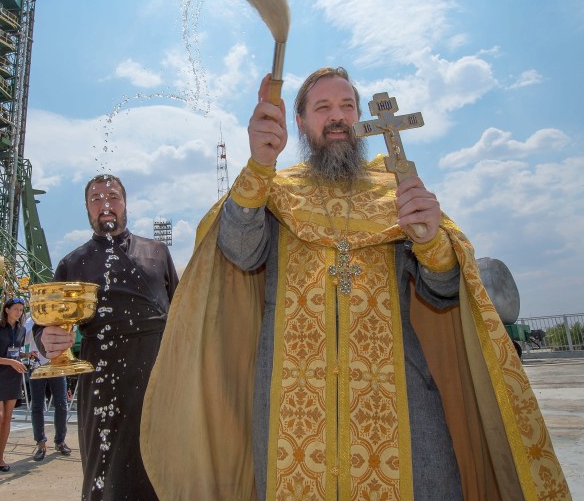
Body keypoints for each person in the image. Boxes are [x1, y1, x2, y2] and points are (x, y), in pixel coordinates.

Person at [140, 70, 571, 500]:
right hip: (293, 409)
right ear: (302, 121)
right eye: (323, 108)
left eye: (347, 107)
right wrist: (259, 165)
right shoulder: (274, 188)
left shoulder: (397, 190)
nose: (337, 117)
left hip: (400, 407)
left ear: (361, 119)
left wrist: (432, 242)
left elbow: (442, 292)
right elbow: (238, 251)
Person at [39, 174, 178, 501]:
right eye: (96, 199)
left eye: (112, 197)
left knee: (160, 463)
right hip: (101, 378)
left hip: (156, 374)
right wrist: (46, 338)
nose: (105, 205)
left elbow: (182, 311)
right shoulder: (72, 263)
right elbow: (47, 322)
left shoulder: (157, 252)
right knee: (105, 470)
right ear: (87, 210)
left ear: (125, 203)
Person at [0, 297, 28, 478]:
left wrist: (25, 354)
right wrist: (9, 361)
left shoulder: (21, 330)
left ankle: (1, 458)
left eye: (21, 310)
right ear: (7, 310)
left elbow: (16, 350)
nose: (19, 312)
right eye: (16, 309)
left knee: (8, 418)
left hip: (13, 377)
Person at [23, 314, 71, 461]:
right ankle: (41, 443)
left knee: (61, 404)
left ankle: (60, 441)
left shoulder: (58, 317)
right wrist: (36, 322)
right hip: (37, 366)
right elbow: (24, 339)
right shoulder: (32, 319)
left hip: (56, 365)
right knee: (37, 405)